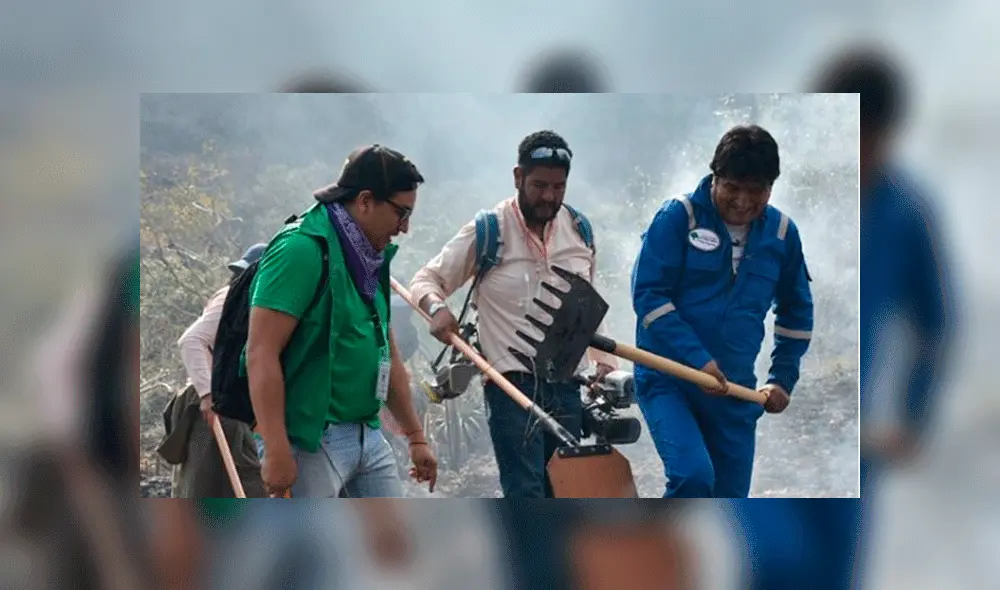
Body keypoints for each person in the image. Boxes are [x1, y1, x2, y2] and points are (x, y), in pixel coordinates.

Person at [409, 129, 618, 498]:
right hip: (511, 388)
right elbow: (427, 279)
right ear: (518, 176)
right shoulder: (488, 230)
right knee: (526, 491)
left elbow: (588, 306)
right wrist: (437, 309)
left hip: (568, 386)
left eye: (558, 187)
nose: (549, 196)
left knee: (567, 491)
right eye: (539, 185)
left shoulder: (580, 230)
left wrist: (603, 362)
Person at [631, 124, 814, 498]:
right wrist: (696, 359)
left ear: (771, 187)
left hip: (734, 390)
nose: (744, 202)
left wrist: (782, 378)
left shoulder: (782, 234)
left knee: (731, 502)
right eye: (733, 187)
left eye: (756, 190)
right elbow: (648, 296)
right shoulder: (678, 218)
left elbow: (796, 312)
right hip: (669, 378)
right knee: (693, 478)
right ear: (715, 177)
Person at [246, 144, 438, 498]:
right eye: (400, 213)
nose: (405, 228)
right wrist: (275, 448)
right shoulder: (302, 249)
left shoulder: (369, 255)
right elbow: (261, 352)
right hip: (310, 441)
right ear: (365, 201)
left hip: (368, 433)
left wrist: (415, 436)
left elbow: (386, 347)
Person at [156, 244, 269, 498]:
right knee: (205, 489)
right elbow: (191, 340)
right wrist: (208, 395)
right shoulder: (232, 298)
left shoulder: (257, 304)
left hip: (232, 404)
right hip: (213, 404)